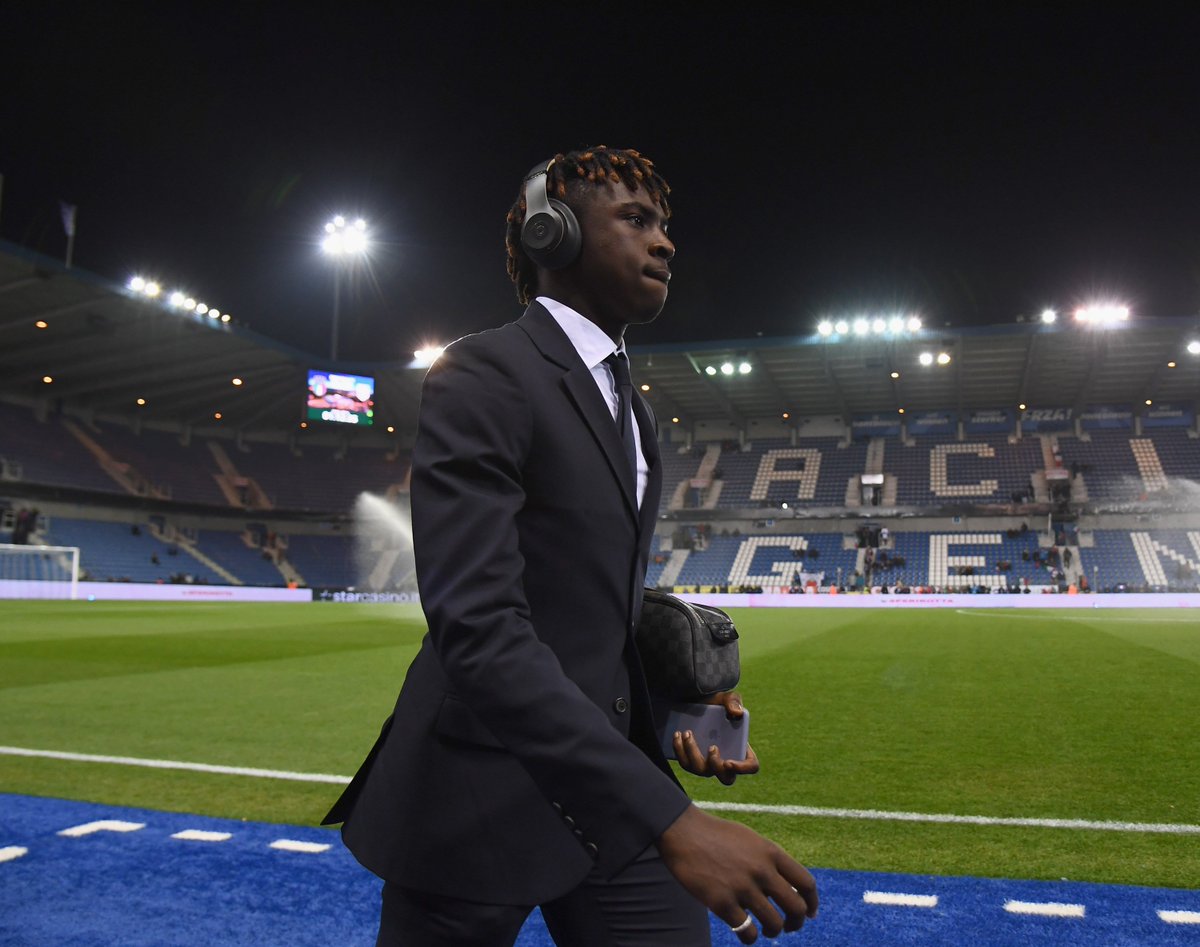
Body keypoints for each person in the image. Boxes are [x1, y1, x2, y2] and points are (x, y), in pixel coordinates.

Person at [324, 146, 818, 946]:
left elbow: (586, 601)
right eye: (635, 219)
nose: (665, 241)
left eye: (664, 224)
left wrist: (674, 709)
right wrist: (673, 817)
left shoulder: (633, 408)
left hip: (606, 793)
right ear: (551, 235)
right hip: (474, 795)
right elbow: (480, 629)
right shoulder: (485, 371)